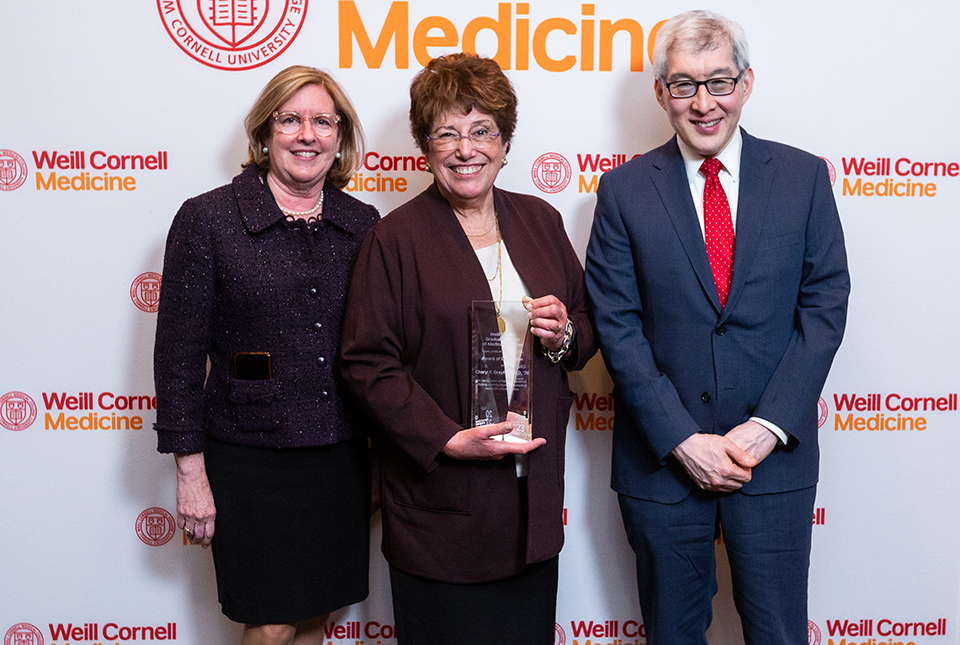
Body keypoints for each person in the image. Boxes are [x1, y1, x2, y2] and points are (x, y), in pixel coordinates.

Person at [585, 11, 850, 645]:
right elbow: (616, 325)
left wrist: (767, 428)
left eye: (719, 82)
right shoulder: (622, 192)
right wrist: (682, 440)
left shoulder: (804, 178)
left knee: (778, 634)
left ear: (747, 83)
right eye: (684, 85)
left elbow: (825, 303)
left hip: (773, 461)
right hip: (662, 465)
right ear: (661, 93)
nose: (704, 104)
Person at [340, 52, 595, 645]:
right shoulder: (394, 238)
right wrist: (443, 437)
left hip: (530, 505)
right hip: (441, 509)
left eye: (481, 131)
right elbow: (366, 361)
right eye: (446, 133)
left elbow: (585, 330)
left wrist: (565, 335)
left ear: (505, 141)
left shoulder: (540, 220)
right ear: (424, 148)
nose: (465, 149)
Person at [153, 65, 378, 645]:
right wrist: (190, 472)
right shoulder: (208, 220)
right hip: (251, 460)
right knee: (272, 621)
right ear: (265, 131)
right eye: (291, 119)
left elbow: (377, 347)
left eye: (322, 122)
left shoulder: (361, 224)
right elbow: (178, 356)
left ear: (340, 135)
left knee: (317, 616)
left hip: (341, 454)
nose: (307, 134)